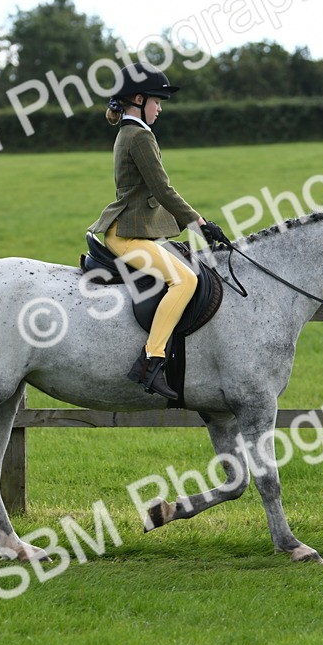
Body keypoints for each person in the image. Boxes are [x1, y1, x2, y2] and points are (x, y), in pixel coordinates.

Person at [88, 63, 226, 400]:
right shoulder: (139, 136)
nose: (160, 108)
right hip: (126, 235)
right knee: (186, 280)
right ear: (138, 99)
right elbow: (163, 190)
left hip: (133, 229)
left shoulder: (128, 131)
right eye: (157, 101)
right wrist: (200, 223)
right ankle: (151, 361)